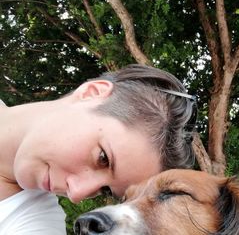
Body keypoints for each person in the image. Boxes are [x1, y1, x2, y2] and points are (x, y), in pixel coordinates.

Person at [0, 64, 196, 234]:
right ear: (92, 93)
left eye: (106, 190)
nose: (76, 194)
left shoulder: (31, 226)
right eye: (103, 158)